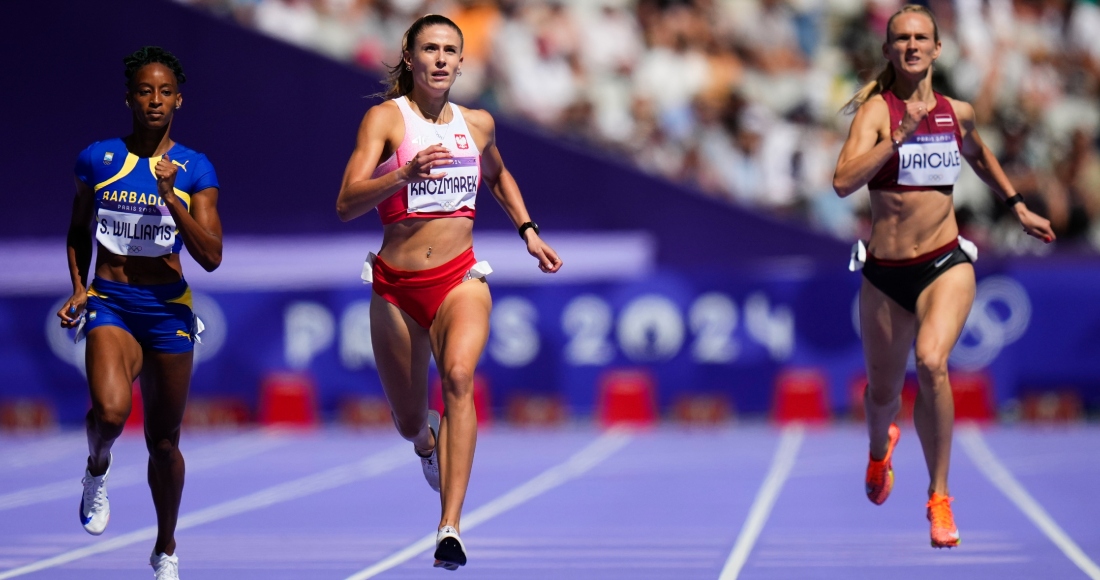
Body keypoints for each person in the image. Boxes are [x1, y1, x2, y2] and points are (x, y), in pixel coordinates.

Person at [335, 14, 562, 570]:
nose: (440, 59)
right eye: (430, 49)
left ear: (463, 61)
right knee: (410, 419)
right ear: (410, 58)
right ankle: (424, 445)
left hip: (460, 279)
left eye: (450, 50)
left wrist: (528, 232)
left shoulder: (478, 124)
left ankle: (449, 527)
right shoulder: (386, 120)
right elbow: (345, 202)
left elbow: (499, 176)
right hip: (396, 288)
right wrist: (402, 175)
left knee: (459, 377)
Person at [831, 5, 1053, 549]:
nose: (911, 45)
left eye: (921, 37)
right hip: (885, 273)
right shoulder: (876, 114)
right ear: (888, 51)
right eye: (901, 38)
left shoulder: (959, 112)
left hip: (944, 263)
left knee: (932, 362)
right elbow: (841, 182)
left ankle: (939, 496)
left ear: (936, 49)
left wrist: (1017, 205)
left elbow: (979, 155)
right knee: (882, 393)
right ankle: (880, 452)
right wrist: (895, 139)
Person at [57, 46, 222, 579]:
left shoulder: (196, 168)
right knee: (109, 413)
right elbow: (79, 231)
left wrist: (173, 197)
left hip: (168, 308)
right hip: (113, 301)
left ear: (179, 100)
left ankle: (165, 549)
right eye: (145, 91)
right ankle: (96, 468)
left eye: (165, 92)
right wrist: (80, 287)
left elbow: (212, 256)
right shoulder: (97, 159)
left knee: (164, 442)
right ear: (129, 98)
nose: (155, 100)